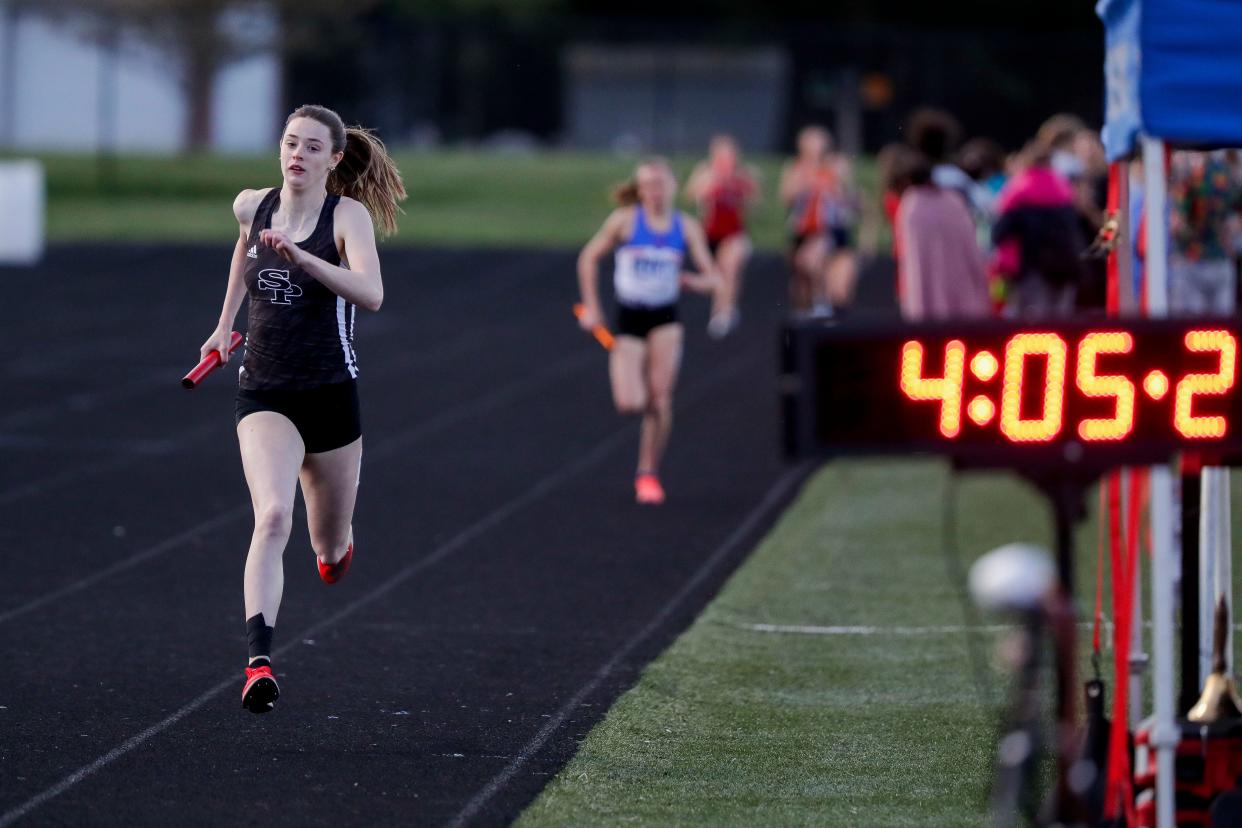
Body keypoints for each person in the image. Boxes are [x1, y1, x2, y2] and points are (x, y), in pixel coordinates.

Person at [198, 104, 406, 713]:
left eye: (313, 147)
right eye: (291, 143)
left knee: (328, 545)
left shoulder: (347, 216)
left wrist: (305, 258)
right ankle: (258, 663)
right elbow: (244, 251)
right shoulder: (250, 204)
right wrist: (223, 325)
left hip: (331, 395)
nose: (298, 155)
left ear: (334, 159)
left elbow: (372, 294)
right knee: (271, 518)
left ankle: (336, 552)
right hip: (264, 390)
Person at [576, 158, 720, 505]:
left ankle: (648, 472)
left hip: (665, 318)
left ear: (673, 185)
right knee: (631, 404)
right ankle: (632, 374)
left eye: (660, 183)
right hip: (629, 317)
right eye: (647, 185)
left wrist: (691, 281)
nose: (654, 191)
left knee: (660, 399)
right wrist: (592, 307)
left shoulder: (685, 228)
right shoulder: (625, 222)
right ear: (639, 190)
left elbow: (714, 278)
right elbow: (588, 257)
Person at [990, 139, 1087, 317]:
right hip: (1065, 267)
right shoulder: (1064, 190)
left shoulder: (1016, 191)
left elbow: (999, 234)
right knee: (1061, 323)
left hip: (1030, 268)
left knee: (1032, 326)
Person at [897, 153, 990, 320]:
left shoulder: (910, 204)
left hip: (922, 301)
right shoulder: (953, 202)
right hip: (960, 297)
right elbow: (971, 248)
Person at [684, 135, 759, 338]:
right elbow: (690, 196)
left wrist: (743, 188)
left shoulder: (743, 176)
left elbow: (754, 207)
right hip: (709, 234)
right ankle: (722, 303)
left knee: (730, 265)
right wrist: (711, 182)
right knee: (714, 272)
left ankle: (723, 311)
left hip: (733, 233)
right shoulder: (705, 172)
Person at [780, 125, 858, 315]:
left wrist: (839, 182)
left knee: (839, 286)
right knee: (802, 283)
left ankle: (825, 306)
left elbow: (850, 198)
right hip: (804, 232)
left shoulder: (836, 166)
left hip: (831, 230)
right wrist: (806, 178)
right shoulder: (796, 168)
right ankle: (812, 307)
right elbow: (787, 197)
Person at [1168, 149, 1242, 315]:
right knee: (1222, 329)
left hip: (1192, 259)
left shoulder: (1188, 177)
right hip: (1220, 259)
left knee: (1194, 328)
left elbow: (1178, 226)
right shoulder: (1226, 175)